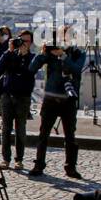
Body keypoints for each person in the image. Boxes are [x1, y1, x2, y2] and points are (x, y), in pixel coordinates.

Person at [28, 37, 87, 178]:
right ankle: (39, 164)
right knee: (43, 134)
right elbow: (31, 68)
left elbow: (77, 70)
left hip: (69, 100)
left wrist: (64, 56)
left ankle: (70, 167)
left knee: (70, 136)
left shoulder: (78, 53)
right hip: (50, 99)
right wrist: (43, 54)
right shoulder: (50, 53)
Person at [0, 35, 36, 170]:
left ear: (31, 43)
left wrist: (24, 57)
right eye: (21, 40)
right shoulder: (10, 55)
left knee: (20, 129)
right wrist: (9, 51)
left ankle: (19, 159)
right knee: (5, 129)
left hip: (23, 97)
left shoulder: (33, 58)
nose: (23, 43)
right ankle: (5, 159)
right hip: (7, 95)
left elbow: (29, 73)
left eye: (26, 41)